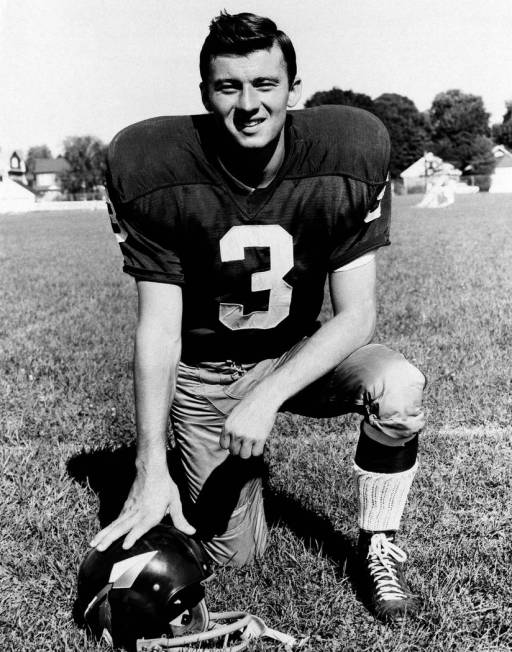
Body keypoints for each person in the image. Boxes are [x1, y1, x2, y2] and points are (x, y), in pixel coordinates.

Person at [91, 11, 426, 622]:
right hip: (207, 374)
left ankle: (380, 541)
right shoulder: (151, 163)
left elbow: (356, 318)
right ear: (204, 94)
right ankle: (223, 478)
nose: (249, 104)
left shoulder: (349, 148)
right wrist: (149, 465)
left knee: (399, 386)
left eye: (266, 84)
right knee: (237, 557)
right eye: (229, 87)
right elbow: (160, 330)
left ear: (293, 88)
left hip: (296, 354)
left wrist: (268, 395)